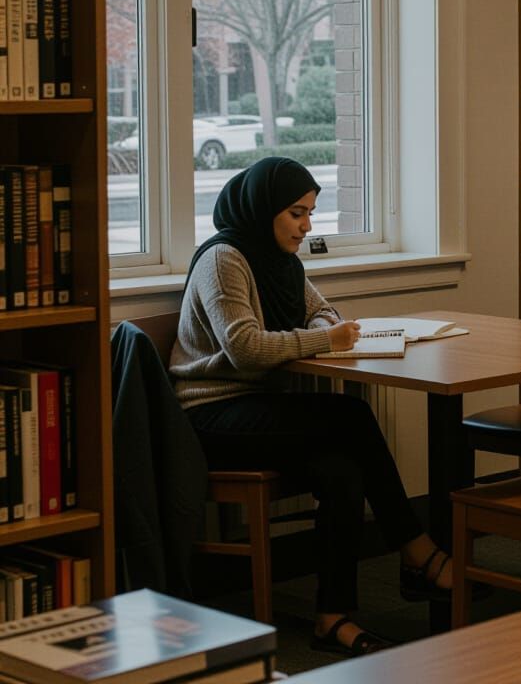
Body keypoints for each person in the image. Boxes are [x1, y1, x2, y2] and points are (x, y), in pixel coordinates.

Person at [169, 156, 453, 657]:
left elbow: (324, 312)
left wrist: (323, 333)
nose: (306, 226)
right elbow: (246, 348)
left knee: (342, 471)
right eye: (296, 214)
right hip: (209, 414)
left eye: (311, 213)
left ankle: (332, 618)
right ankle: (416, 550)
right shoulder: (225, 259)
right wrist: (326, 341)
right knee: (352, 416)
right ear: (264, 210)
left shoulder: (281, 262)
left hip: (260, 408)